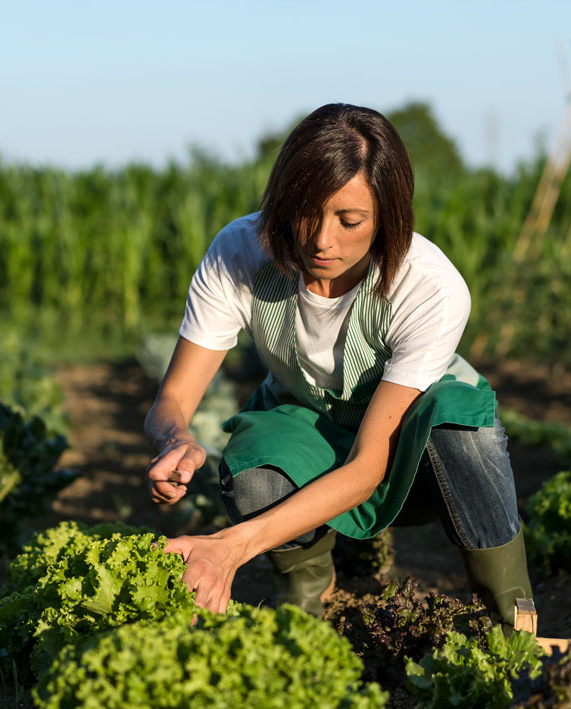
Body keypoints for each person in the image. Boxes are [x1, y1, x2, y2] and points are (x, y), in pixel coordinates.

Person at [144, 103, 531, 625]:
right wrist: (177, 438)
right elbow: (172, 401)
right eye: (305, 213)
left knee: (464, 432)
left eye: (350, 221)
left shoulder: (428, 288)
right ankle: (307, 596)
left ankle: (511, 611)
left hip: (411, 442)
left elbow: (369, 467)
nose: (322, 240)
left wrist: (231, 548)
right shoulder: (238, 253)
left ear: (387, 218)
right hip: (310, 423)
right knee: (255, 460)